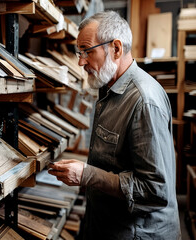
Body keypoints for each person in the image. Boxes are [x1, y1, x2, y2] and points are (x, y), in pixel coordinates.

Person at [48, 11, 181, 239]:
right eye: (79, 53)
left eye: (88, 51)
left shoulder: (143, 101)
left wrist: (87, 175)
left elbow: (154, 190)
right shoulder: (108, 87)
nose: (81, 62)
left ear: (116, 49)